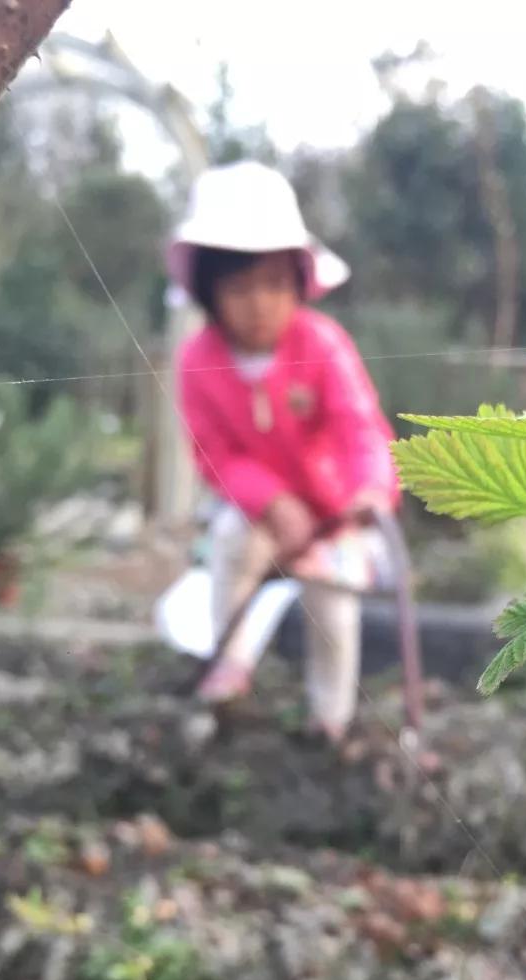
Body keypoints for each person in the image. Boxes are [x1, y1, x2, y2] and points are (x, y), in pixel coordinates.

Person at [168, 160, 399, 744]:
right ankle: (232, 661)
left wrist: (369, 492)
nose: (259, 303)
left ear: (299, 283)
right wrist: (271, 501)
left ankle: (331, 718)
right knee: (230, 547)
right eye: (240, 287)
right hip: (260, 513)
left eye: (274, 285)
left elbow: (359, 428)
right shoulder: (198, 360)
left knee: (333, 609)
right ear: (209, 292)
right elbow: (212, 452)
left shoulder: (322, 345)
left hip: (334, 513)